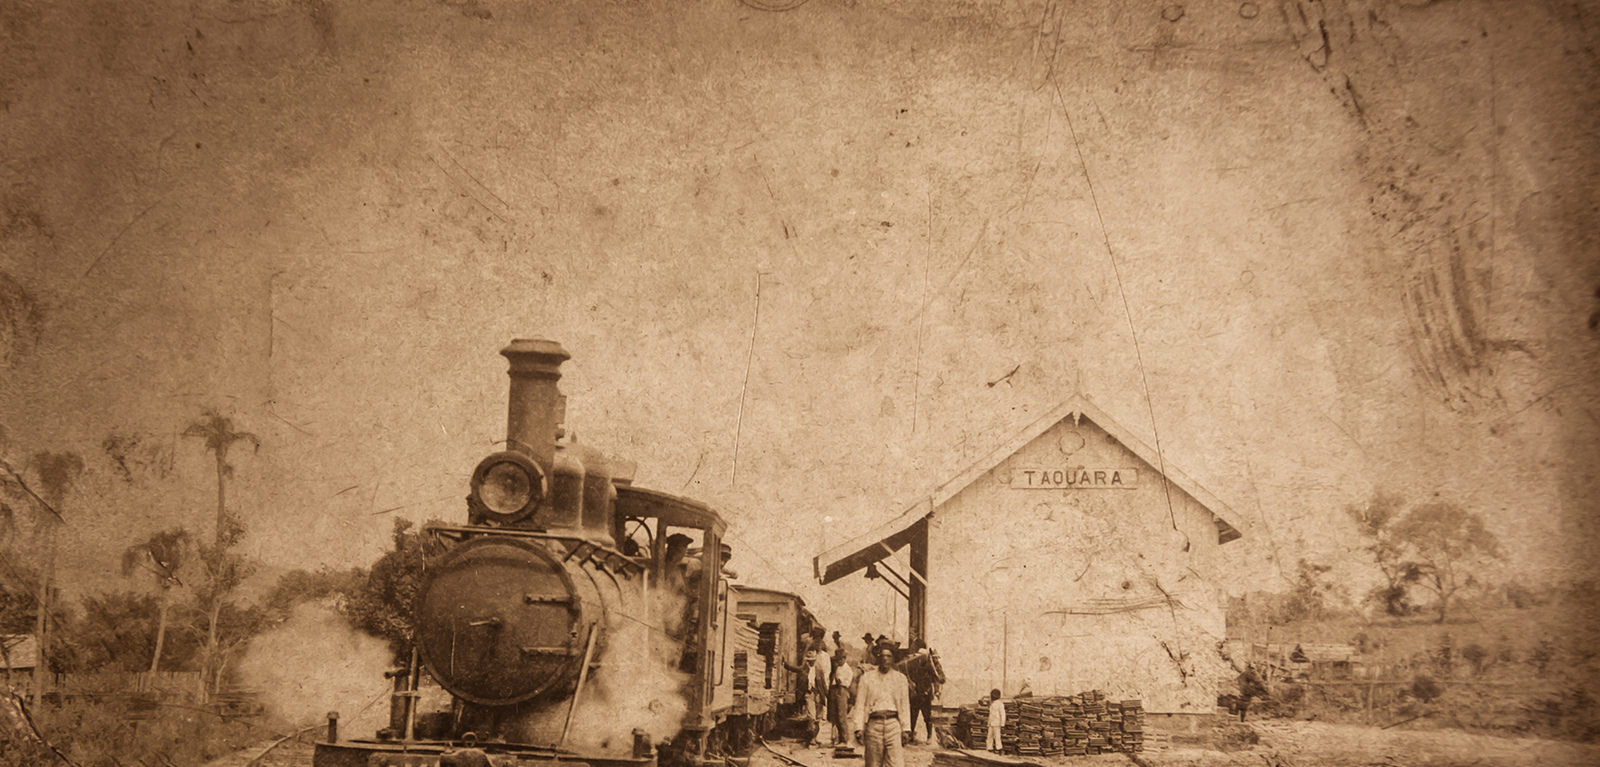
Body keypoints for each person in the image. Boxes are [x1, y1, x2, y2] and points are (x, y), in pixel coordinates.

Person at [853, 646, 910, 767]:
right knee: (873, 764)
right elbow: (860, 704)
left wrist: (906, 729)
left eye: (889, 656)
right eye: (882, 656)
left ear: (893, 659)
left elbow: (905, 705)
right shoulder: (867, 678)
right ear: (878, 658)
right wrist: (858, 728)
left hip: (893, 725)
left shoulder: (900, 679)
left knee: (896, 764)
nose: (885, 659)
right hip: (874, 726)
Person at [903, 641, 940, 744]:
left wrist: (931, 691)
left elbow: (935, 679)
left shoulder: (929, 667)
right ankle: (911, 736)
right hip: (916, 695)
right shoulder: (914, 667)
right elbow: (909, 677)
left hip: (925, 695)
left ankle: (929, 736)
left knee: (927, 717)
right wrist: (911, 684)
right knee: (913, 716)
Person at [829, 648, 855, 746]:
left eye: (840, 659)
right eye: (837, 660)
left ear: (844, 658)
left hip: (842, 690)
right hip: (835, 690)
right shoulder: (838, 668)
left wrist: (841, 682)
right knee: (835, 716)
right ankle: (838, 739)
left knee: (841, 716)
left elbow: (847, 683)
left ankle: (844, 739)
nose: (838, 661)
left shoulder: (848, 669)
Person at [985, 688, 1005, 753]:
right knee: (989, 736)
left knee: (997, 736)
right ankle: (989, 748)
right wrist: (988, 723)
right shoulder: (992, 704)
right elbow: (990, 715)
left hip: (997, 723)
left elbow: (1003, 714)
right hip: (991, 723)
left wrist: (1002, 724)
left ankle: (999, 748)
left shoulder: (1000, 704)